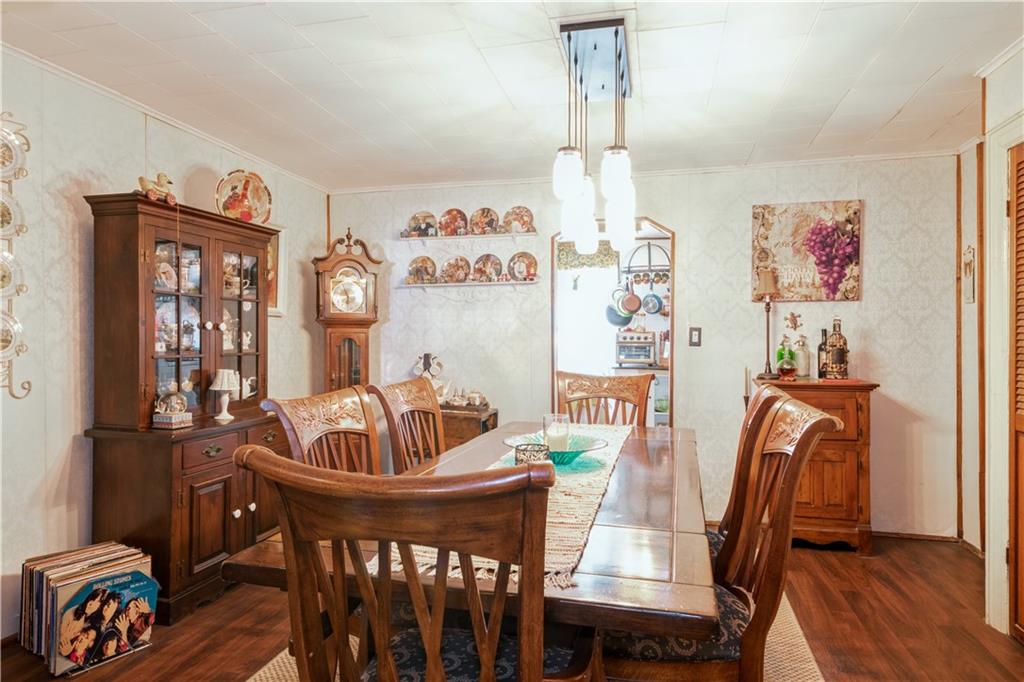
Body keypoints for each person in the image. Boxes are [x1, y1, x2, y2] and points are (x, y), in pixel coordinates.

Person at [57, 588, 107, 657]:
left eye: (97, 601)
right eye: (91, 598)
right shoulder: (72, 614)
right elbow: (60, 639)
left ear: (100, 607)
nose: (90, 603)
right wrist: (67, 650)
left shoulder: (94, 622)